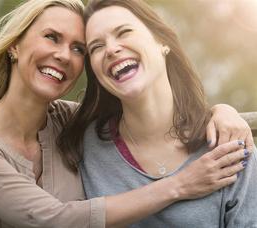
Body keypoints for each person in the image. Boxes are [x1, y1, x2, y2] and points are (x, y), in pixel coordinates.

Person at [0, 0, 253, 227]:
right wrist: (180, 184)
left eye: (79, 48)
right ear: (14, 45)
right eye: (51, 37)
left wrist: (223, 111)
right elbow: (49, 217)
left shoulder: (69, 124)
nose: (63, 55)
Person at [58, 0, 257, 227]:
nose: (111, 49)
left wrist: (224, 110)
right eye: (96, 47)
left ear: (161, 41)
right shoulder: (82, 146)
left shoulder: (228, 143)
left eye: (124, 32)